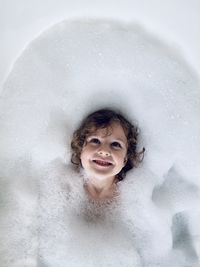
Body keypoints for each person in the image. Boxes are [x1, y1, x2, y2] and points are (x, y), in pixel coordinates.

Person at [71, 108, 145, 202]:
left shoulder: (134, 198)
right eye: (95, 141)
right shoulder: (65, 187)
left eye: (115, 144)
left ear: (125, 159)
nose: (104, 151)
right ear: (81, 150)